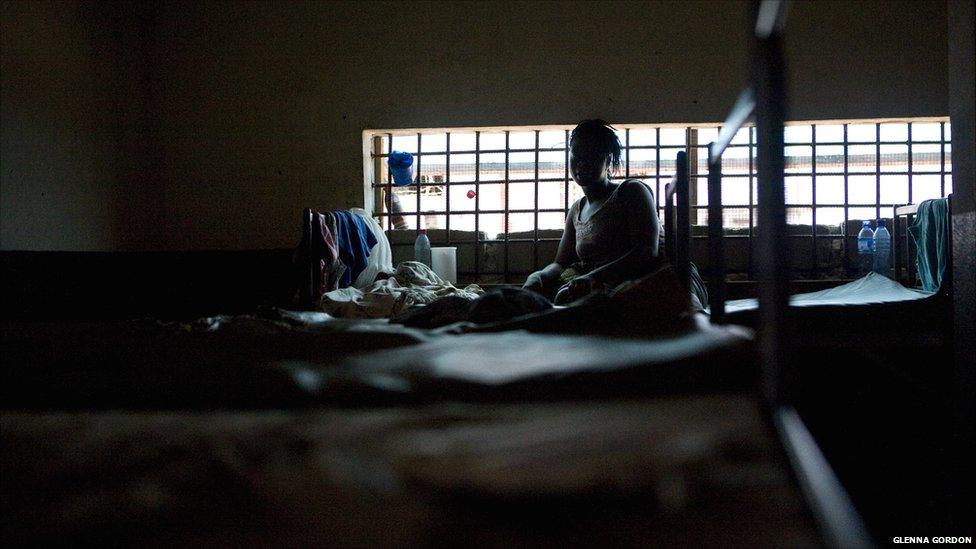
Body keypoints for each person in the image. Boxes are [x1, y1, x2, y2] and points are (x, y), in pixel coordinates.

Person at [523, 119, 665, 305]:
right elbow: (561, 263)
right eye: (576, 155)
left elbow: (647, 251)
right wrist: (539, 276)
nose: (582, 163)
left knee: (565, 299)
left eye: (591, 156)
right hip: (598, 283)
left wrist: (592, 277)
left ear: (608, 159)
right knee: (529, 297)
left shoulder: (631, 191)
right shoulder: (576, 210)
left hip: (644, 280)